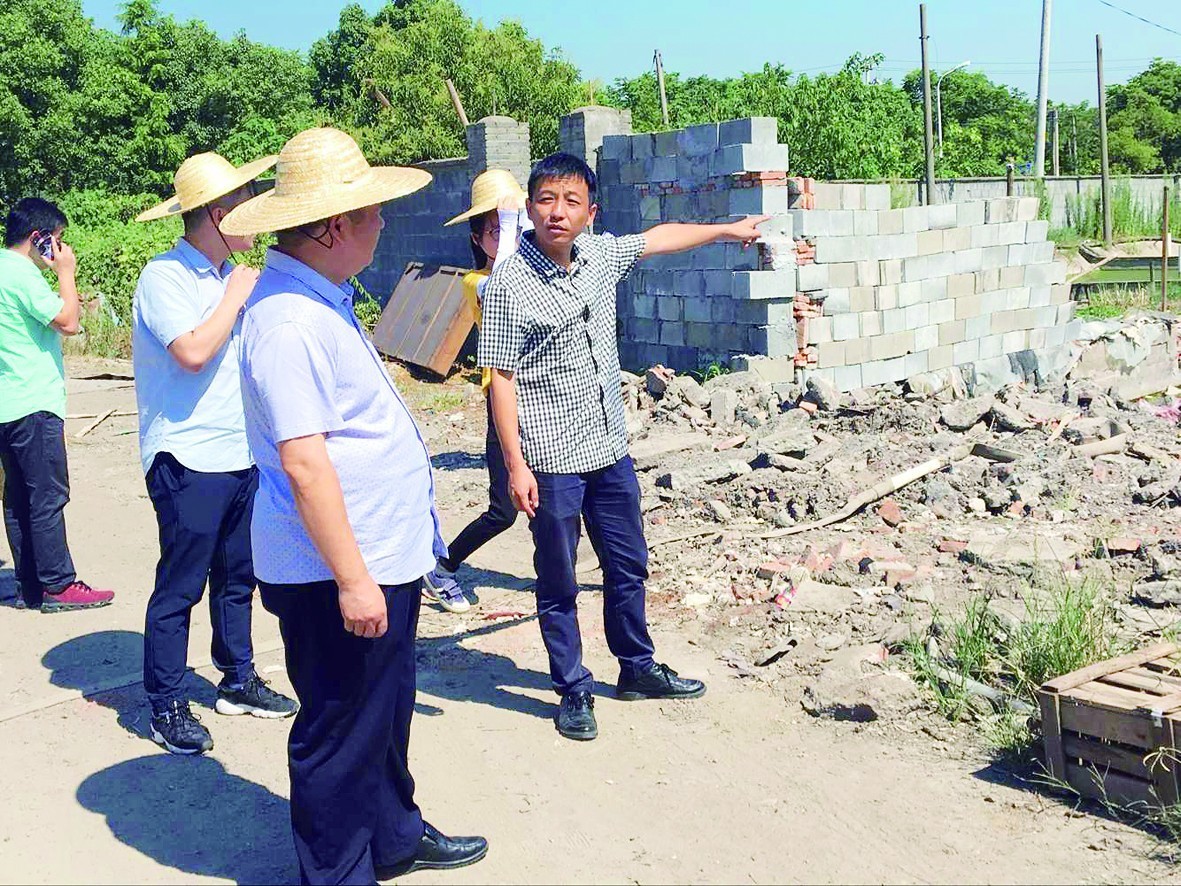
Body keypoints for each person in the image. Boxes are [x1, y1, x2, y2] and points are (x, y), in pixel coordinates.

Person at [220, 127, 487, 886]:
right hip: (337, 568)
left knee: (384, 710)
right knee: (339, 731)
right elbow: (305, 463)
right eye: (369, 212)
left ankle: (395, 835)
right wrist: (352, 579)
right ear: (333, 226)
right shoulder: (286, 322)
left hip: (379, 554)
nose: (379, 223)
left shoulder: (318, 298)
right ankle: (336, 872)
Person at [478, 152, 768, 742]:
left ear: (590, 212)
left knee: (627, 565)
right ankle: (573, 688)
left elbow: (659, 237)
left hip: (608, 449)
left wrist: (725, 229)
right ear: (530, 209)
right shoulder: (509, 282)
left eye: (570, 202)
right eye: (546, 201)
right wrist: (515, 464)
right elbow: (500, 378)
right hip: (551, 459)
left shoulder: (599, 257)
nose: (557, 213)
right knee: (557, 577)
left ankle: (636, 668)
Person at [132, 152, 299, 756]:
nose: (255, 220)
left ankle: (238, 678)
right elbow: (193, 352)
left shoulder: (235, 273)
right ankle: (166, 702)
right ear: (220, 213)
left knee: (238, 578)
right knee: (181, 585)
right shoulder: (165, 277)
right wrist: (234, 293)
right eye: (246, 208)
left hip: (240, 452)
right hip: (187, 455)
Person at [421, 169, 531, 614]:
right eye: (495, 228)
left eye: (511, 224)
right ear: (478, 237)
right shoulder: (476, 281)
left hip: (545, 397)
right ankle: (443, 566)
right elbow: (504, 282)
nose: (506, 234)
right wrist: (512, 228)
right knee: (504, 509)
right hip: (504, 401)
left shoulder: (534, 271)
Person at [0, 198, 115, 613]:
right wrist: (66, 273)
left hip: (6, 402)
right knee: (47, 495)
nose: (59, 249)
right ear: (38, 238)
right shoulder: (21, 273)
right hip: (34, 400)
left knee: (17, 497)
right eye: (56, 241)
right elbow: (69, 322)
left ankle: (29, 584)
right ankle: (58, 584)